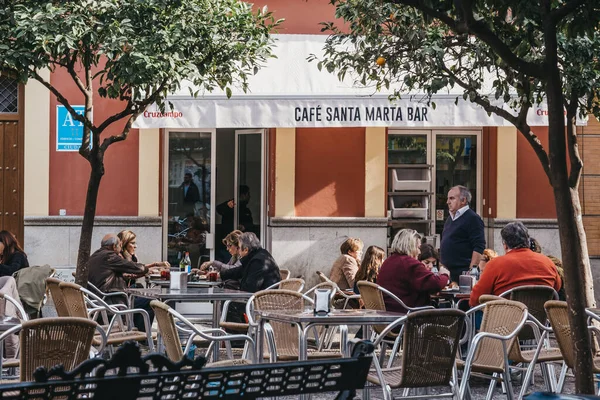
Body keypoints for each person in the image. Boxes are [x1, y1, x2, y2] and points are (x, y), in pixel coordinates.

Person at [469, 222, 562, 307]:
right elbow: (556, 289)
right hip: (539, 323)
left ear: (505, 245)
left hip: (504, 322)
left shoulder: (495, 264)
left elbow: (474, 300)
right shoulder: (548, 263)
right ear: (528, 242)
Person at [88, 234, 155, 332]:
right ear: (114, 246)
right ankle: (142, 338)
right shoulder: (109, 256)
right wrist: (146, 269)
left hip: (99, 301)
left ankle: (136, 335)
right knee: (152, 302)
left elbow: (109, 275)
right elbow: (133, 267)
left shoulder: (95, 256)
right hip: (110, 303)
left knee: (140, 298)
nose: (120, 247)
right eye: (120, 245)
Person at [378, 229, 451, 313]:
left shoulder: (388, 261)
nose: (419, 252)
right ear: (410, 246)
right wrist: (444, 274)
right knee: (454, 317)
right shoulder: (408, 263)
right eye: (418, 247)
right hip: (409, 315)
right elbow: (436, 284)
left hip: (389, 314)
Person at [219, 232, 281, 324]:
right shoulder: (258, 256)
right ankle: (231, 335)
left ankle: (238, 336)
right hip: (259, 297)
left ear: (246, 250)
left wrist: (234, 289)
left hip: (261, 302)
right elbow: (239, 271)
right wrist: (220, 275)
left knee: (229, 304)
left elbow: (249, 288)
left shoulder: (258, 261)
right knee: (227, 299)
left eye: (239, 248)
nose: (238, 251)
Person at [440, 185, 486, 282]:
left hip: (463, 273)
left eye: (452, 198)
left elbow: (479, 246)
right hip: (448, 273)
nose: (447, 202)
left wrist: (471, 271)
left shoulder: (473, 219)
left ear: (463, 200)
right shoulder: (450, 219)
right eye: (448, 198)